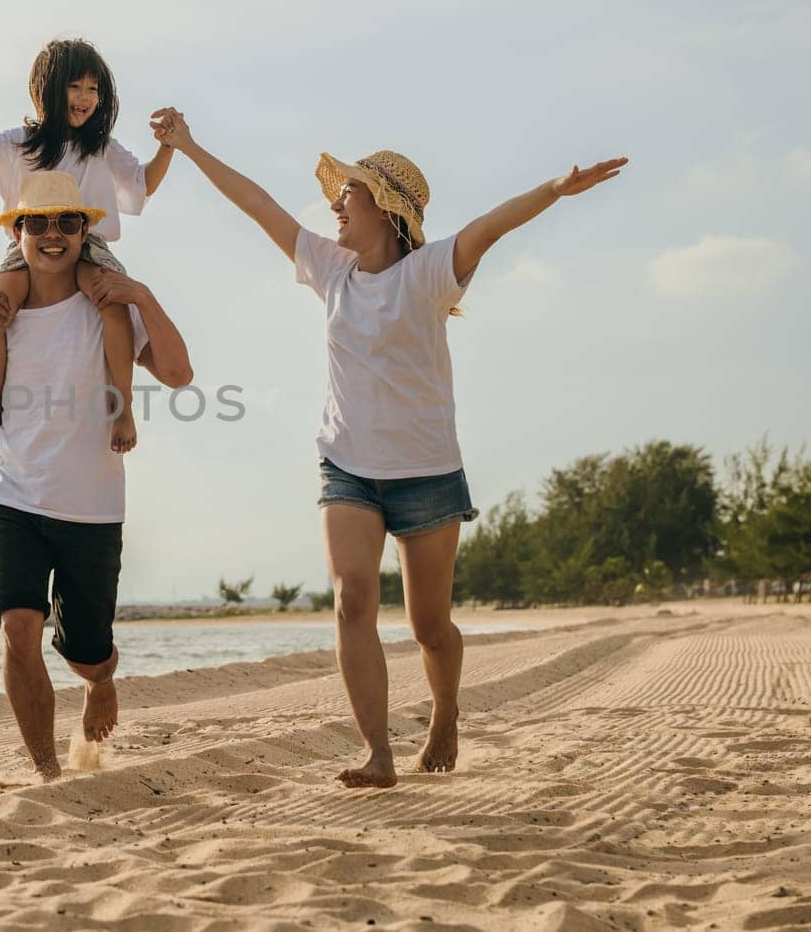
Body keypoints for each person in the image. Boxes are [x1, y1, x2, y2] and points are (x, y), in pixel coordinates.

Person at [151, 104, 625, 788]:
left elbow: (491, 225)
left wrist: (555, 189)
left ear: (385, 210)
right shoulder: (329, 268)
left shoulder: (429, 272)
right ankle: (378, 751)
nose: (335, 204)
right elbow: (258, 205)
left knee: (431, 625)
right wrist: (190, 147)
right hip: (346, 465)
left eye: (348, 193)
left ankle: (446, 711)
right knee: (351, 601)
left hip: (426, 471)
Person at [0, 171, 192, 781]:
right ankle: (47, 770)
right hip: (15, 495)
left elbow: (180, 375)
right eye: (39, 223)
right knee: (18, 629)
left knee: (85, 652)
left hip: (92, 506)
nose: (53, 235)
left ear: (85, 230)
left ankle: (100, 679)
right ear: (18, 230)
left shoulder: (104, 303)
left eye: (68, 223)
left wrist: (144, 298)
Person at [0, 38, 176, 465]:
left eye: (93, 89)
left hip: (89, 240)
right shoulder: (25, 141)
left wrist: (168, 147)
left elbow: (142, 184)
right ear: (48, 89)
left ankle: (123, 411)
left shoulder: (100, 147)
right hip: (29, 239)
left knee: (111, 303)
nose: (85, 98)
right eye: (75, 87)